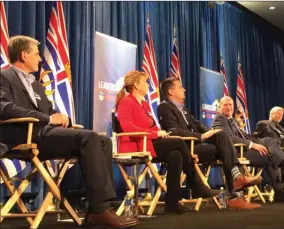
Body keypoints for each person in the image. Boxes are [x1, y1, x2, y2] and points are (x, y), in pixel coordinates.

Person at [0, 35, 138, 228]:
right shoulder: (4, 77)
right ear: (23, 55)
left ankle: (99, 208)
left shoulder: (36, 85)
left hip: (44, 134)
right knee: (89, 137)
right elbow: (4, 108)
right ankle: (100, 211)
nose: (40, 59)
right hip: (22, 135)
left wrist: (63, 119)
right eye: (37, 54)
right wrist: (48, 119)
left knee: (102, 141)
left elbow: (50, 111)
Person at [115, 70, 219, 214]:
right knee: (177, 142)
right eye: (145, 82)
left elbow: (154, 127)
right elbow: (127, 127)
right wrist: (155, 133)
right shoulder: (126, 102)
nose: (148, 85)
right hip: (135, 145)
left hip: (149, 143)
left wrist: (158, 133)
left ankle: (172, 203)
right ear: (136, 85)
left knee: (176, 155)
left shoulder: (144, 105)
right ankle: (195, 184)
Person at [158, 77, 262, 210]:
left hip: (198, 145)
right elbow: (173, 130)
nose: (184, 89)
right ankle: (235, 190)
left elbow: (199, 126)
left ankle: (235, 187)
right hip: (187, 147)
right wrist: (200, 136)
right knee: (224, 147)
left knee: (222, 134)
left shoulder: (183, 109)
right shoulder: (164, 107)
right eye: (180, 87)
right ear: (171, 92)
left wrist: (212, 132)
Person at [213, 96, 284, 203]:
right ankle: (282, 183)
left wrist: (256, 141)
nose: (229, 107)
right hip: (237, 152)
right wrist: (252, 144)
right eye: (225, 105)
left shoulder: (233, 120)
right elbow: (228, 138)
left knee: (268, 142)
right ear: (220, 107)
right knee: (271, 156)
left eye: (231, 105)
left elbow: (244, 136)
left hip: (245, 148)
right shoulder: (220, 118)